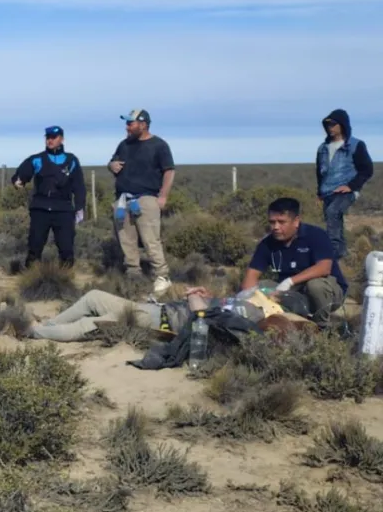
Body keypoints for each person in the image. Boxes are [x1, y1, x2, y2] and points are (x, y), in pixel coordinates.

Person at [240, 197, 347, 326]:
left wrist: (290, 281)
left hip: (327, 292)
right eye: (272, 222)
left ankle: (321, 327)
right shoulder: (267, 244)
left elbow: (324, 267)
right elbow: (252, 275)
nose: (276, 227)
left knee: (315, 285)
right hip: (292, 293)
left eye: (281, 222)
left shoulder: (316, 235)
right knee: (261, 287)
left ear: (296, 221)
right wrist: (247, 297)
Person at [25, 286, 266, 342]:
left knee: (91, 323)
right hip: (156, 310)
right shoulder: (241, 301)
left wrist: (194, 297)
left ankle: (33, 332)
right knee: (93, 296)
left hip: (156, 323)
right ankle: (48, 324)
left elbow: (203, 317)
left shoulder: (251, 313)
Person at [108, 109, 175, 296]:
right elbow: (113, 162)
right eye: (127, 123)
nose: (127, 127)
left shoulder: (159, 145)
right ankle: (133, 274)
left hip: (146, 199)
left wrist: (163, 196)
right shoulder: (124, 145)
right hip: (122, 200)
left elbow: (169, 171)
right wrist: (111, 165)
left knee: (150, 239)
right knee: (126, 240)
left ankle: (161, 276)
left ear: (143, 124)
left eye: (131, 123)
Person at [10, 125, 86, 268]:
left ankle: (66, 278)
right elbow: (21, 174)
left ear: (61, 139)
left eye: (53, 137)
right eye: (48, 138)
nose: (50, 140)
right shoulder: (37, 159)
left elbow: (79, 186)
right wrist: (18, 181)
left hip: (63, 209)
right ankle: (30, 276)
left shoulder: (71, 161)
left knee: (66, 248)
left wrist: (80, 207)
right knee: (35, 245)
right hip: (40, 208)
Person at [316, 109, 374, 259]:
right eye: (328, 125)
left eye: (333, 124)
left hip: (346, 191)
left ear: (342, 125)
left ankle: (332, 253)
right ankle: (342, 255)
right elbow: (320, 172)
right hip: (327, 191)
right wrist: (319, 193)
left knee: (333, 213)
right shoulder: (322, 149)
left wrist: (351, 186)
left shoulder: (355, 145)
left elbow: (367, 169)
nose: (330, 128)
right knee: (334, 219)